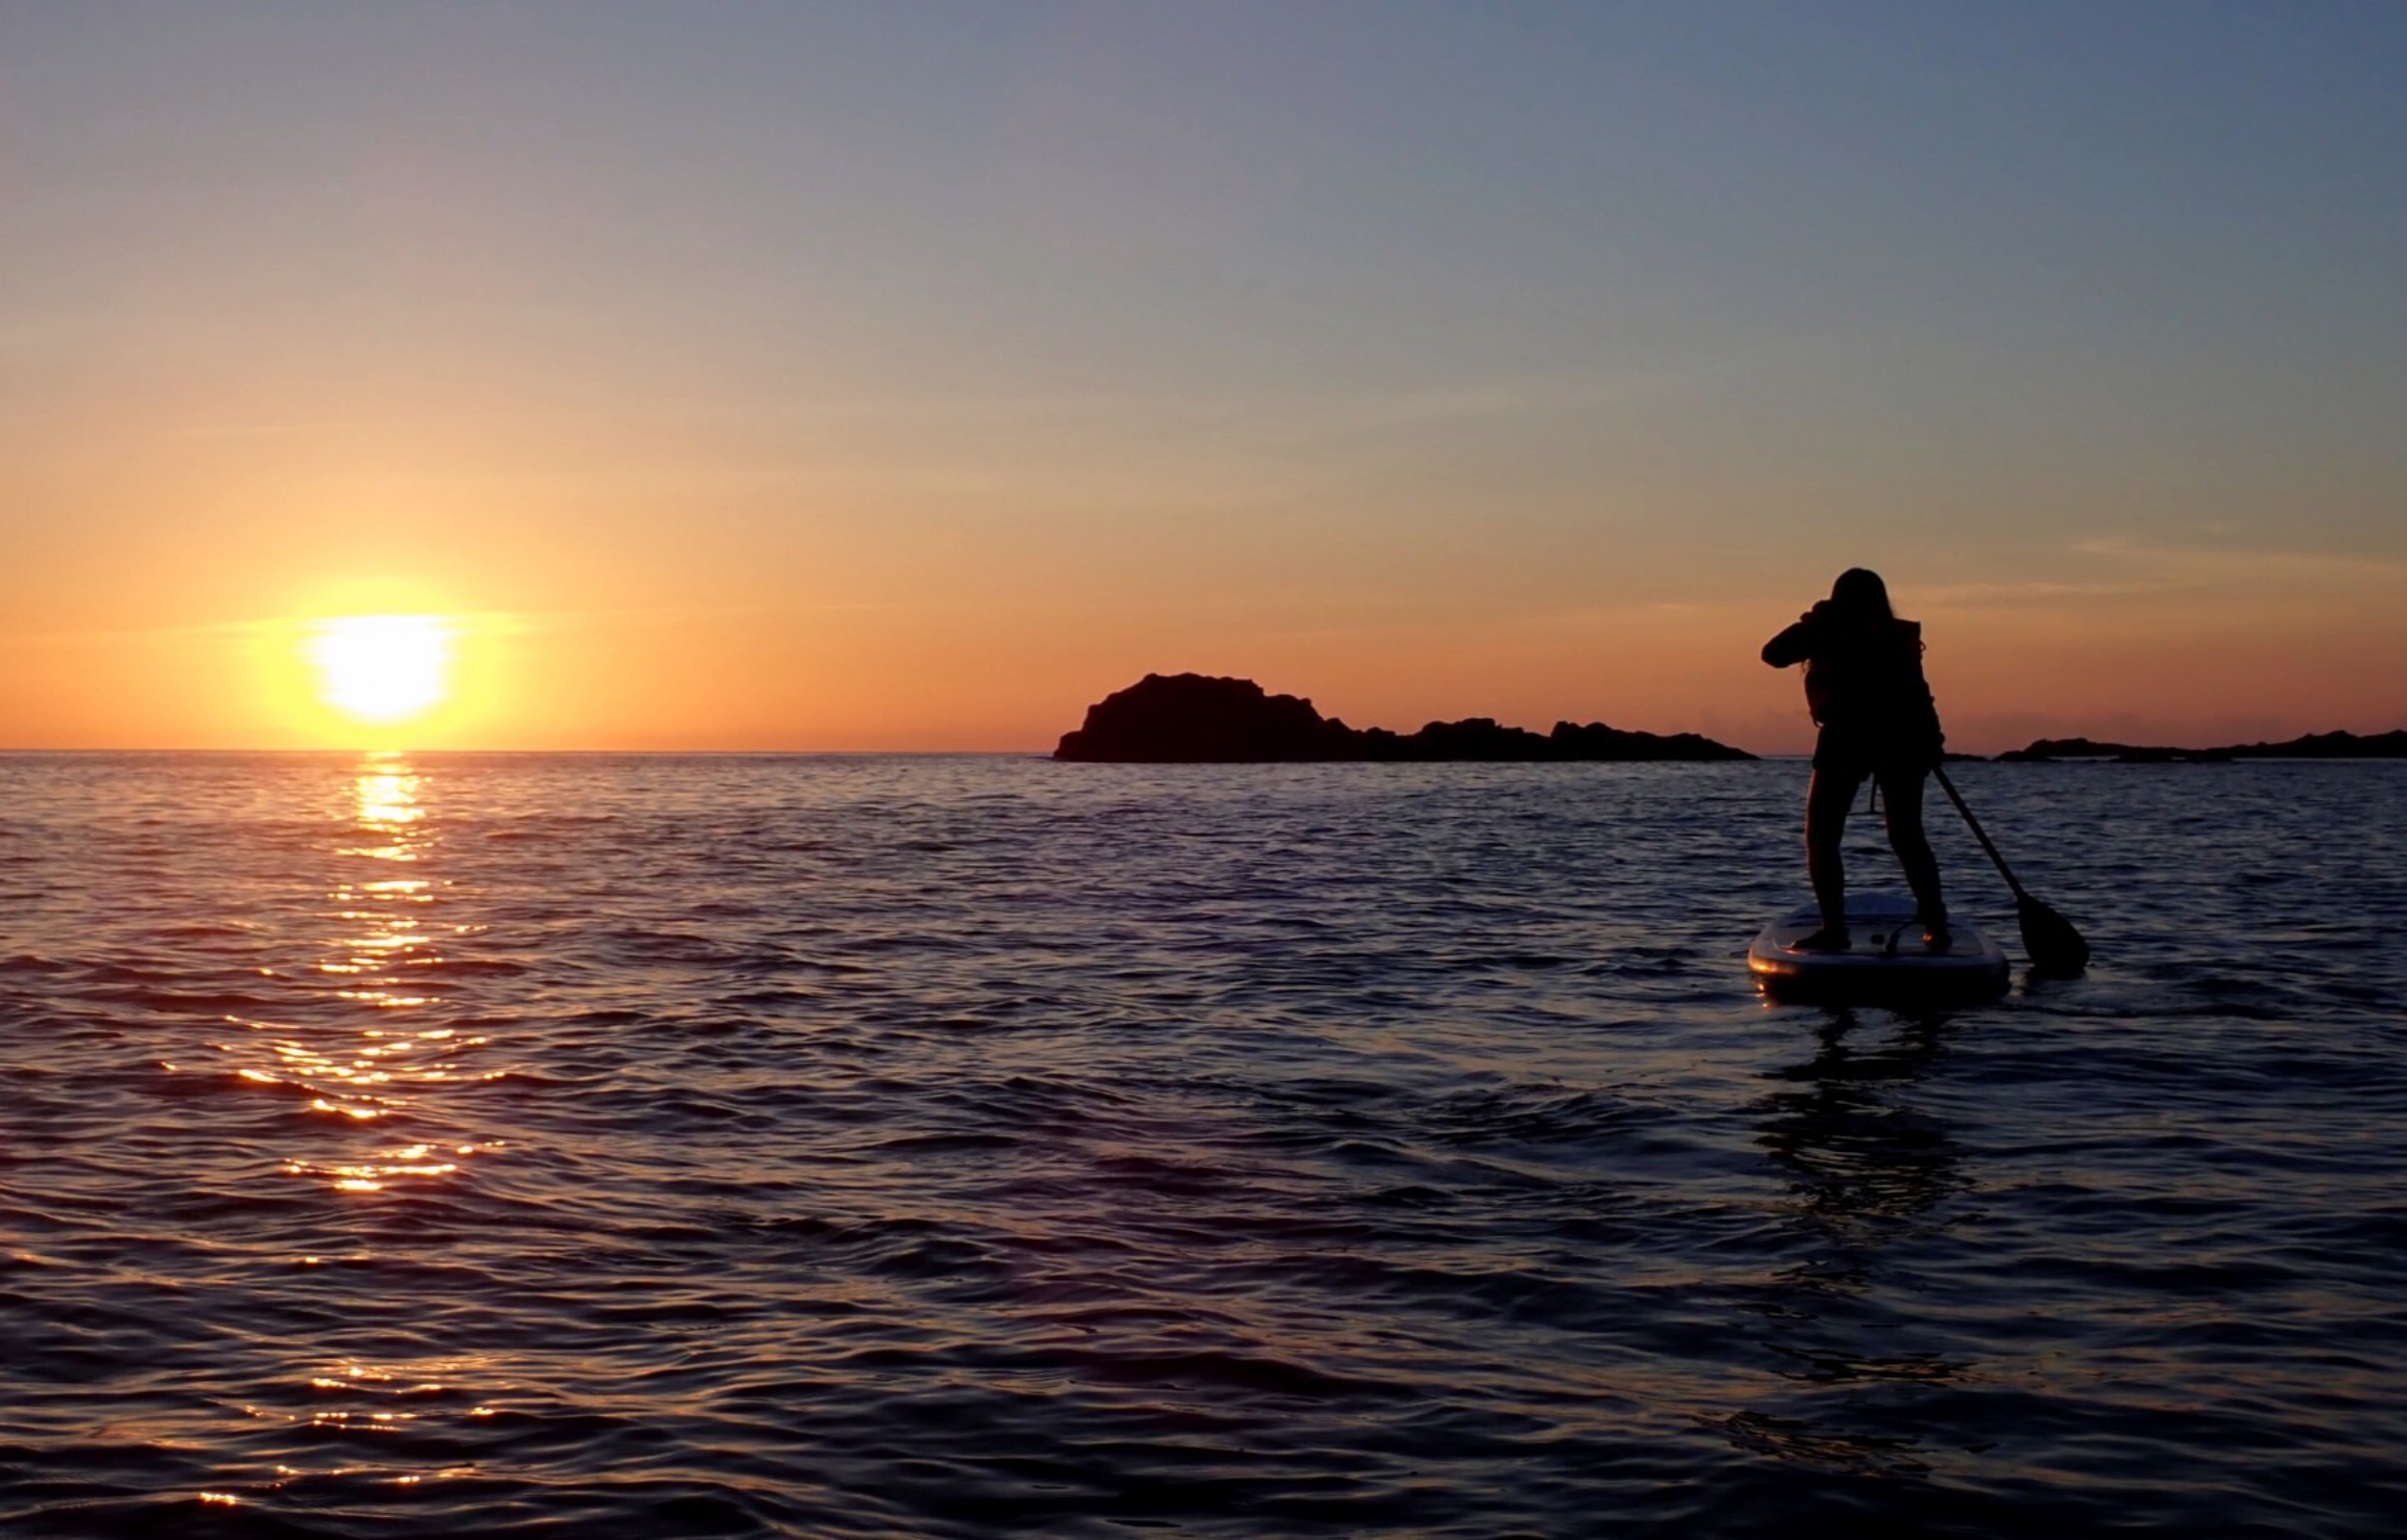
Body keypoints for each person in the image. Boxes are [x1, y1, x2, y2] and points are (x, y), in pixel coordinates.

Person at [1761, 568, 1948, 951]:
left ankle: (1835, 930)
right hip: (1903, 740)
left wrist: (1815, 618)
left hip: (1848, 737)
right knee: (1908, 836)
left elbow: (1772, 653)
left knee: (1822, 838)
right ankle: (1936, 925)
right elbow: (1919, 693)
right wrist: (1931, 741)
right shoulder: (1897, 636)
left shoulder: (1827, 629)